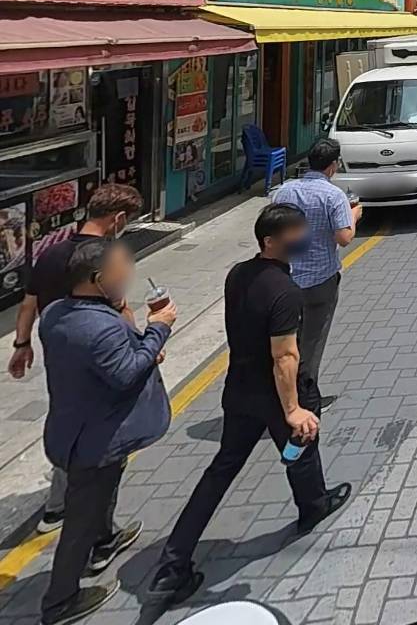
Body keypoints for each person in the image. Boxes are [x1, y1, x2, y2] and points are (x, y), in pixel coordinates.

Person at [148, 205, 351, 606]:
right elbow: (285, 357)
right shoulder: (285, 292)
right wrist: (293, 409)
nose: (303, 238)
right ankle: (312, 506)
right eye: (295, 234)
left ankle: (174, 561)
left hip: (238, 391)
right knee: (301, 445)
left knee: (221, 469)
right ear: (270, 241)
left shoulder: (238, 274)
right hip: (277, 394)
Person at [39, 237, 175, 624]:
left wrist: (140, 344)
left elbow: (106, 362)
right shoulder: (99, 327)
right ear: (98, 279)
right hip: (96, 440)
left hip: (75, 428)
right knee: (79, 522)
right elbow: (126, 373)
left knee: (101, 496)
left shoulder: (55, 313)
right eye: (122, 269)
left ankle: (105, 540)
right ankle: (60, 602)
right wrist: (158, 330)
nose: (129, 274)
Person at [9, 184, 146, 535]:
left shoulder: (51, 254)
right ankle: (101, 534)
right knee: (104, 440)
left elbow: (28, 303)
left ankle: (56, 508)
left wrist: (22, 345)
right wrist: (141, 344)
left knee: (68, 419)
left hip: (58, 354)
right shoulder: (108, 256)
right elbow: (121, 309)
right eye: (126, 220)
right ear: (117, 219)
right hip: (102, 356)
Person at [271, 139, 361, 404]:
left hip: (286, 279)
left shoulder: (283, 192)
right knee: (311, 342)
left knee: (287, 340)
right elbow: (344, 238)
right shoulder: (334, 196)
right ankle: (306, 396)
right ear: (332, 167)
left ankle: (281, 391)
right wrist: (354, 216)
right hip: (320, 282)